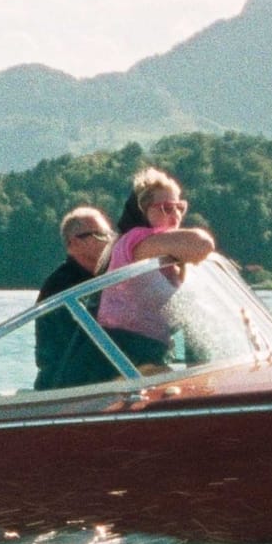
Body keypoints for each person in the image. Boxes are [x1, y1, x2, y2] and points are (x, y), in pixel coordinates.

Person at [94, 167, 217, 367]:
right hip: (123, 351)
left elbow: (179, 320)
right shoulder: (136, 242)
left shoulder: (169, 259)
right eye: (166, 208)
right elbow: (202, 245)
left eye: (180, 207)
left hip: (151, 351)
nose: (175, 215)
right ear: (143, 211)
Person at [33, 206, 115, 389]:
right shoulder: (61, 286)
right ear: (74, 243)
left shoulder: (106, 278)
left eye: (110, 234)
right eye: (101, 235)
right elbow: (85, 345)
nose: (110, 241)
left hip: (97, 380)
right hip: (67, 388)